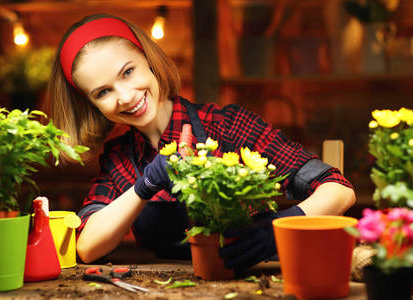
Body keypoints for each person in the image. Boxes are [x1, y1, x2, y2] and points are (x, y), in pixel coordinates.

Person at [46, 14, 356, 275]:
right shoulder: (119, 159)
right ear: (92, 104)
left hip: (256, 284)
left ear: (148, 59)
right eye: (103, 92)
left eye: (128, 72)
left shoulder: (228, 126)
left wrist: (275, 230)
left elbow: (339, 189)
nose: (125, 96)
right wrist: (145, 184)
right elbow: (86, 247)